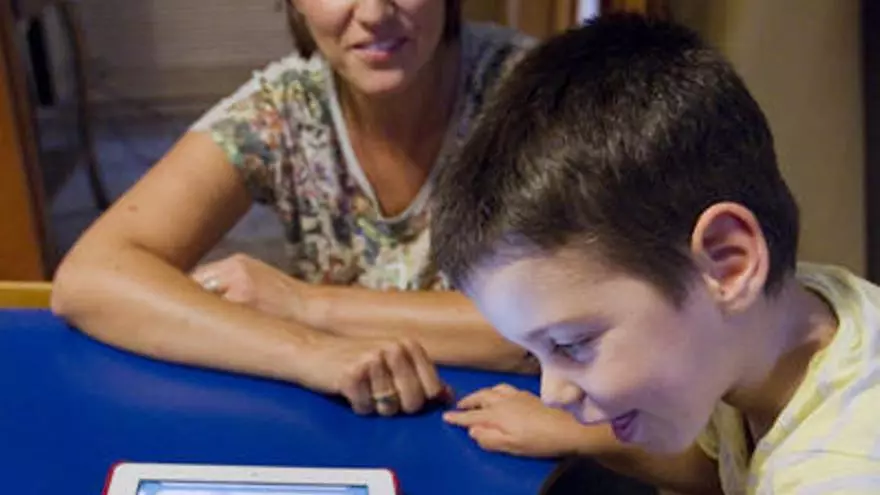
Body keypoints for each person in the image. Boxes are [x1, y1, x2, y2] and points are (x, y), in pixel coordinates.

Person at [430, 14, 880, 494]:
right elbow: (727, 466)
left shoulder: (845, 474)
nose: (553, 393)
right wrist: (574, 434)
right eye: (534, 352)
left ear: (729, 262)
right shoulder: (789, 325)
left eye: (571, 344)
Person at [51, 0, 537, 418]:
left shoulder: (533, 96)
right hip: (351, 419)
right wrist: (309, 352)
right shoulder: (281, 108)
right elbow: (89, 279)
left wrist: (305, 305)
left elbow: (550, 325)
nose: (373, 13)